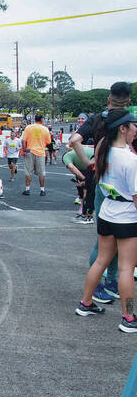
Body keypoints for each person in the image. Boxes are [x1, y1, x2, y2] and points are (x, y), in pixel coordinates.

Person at [70, 82, 133, 305]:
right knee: (120, 241)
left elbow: (75, 140)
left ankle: (101, 287)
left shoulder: (98, 118)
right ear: (128, 101)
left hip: (102, 182)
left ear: (108, 98)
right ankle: (109, 285)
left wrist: (89, 163)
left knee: (106, 239)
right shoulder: (129, 120)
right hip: (126, 185)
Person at [77, 110, 137, 333]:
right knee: (126, 269)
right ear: (123, 128)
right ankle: (129, 317)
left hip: (107, 214)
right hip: (127, 218)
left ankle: (85, 303)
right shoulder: (131, 160)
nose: (135, 129)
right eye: (133, 125)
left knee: (100, 261)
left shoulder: (104, 150)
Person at [21, 113, 52, 196]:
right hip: (40, 152)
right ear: (41, 119)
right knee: (41, 172)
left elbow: (23, 140)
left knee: (28, 171)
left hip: (29, 151)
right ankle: (42, 190)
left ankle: (27, 189)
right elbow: (48, 142)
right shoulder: (45, 129)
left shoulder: (28, 127)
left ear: (35, 119)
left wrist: (24, 150)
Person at [63, 145, 95, 224]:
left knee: (88, 192)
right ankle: (87, 214)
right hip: (97, 158)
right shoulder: (76, 155)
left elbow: (71, 167)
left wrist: (84, 179)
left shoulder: (66, 156)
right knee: (90, 190)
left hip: (94, 161)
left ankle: (87, 216)